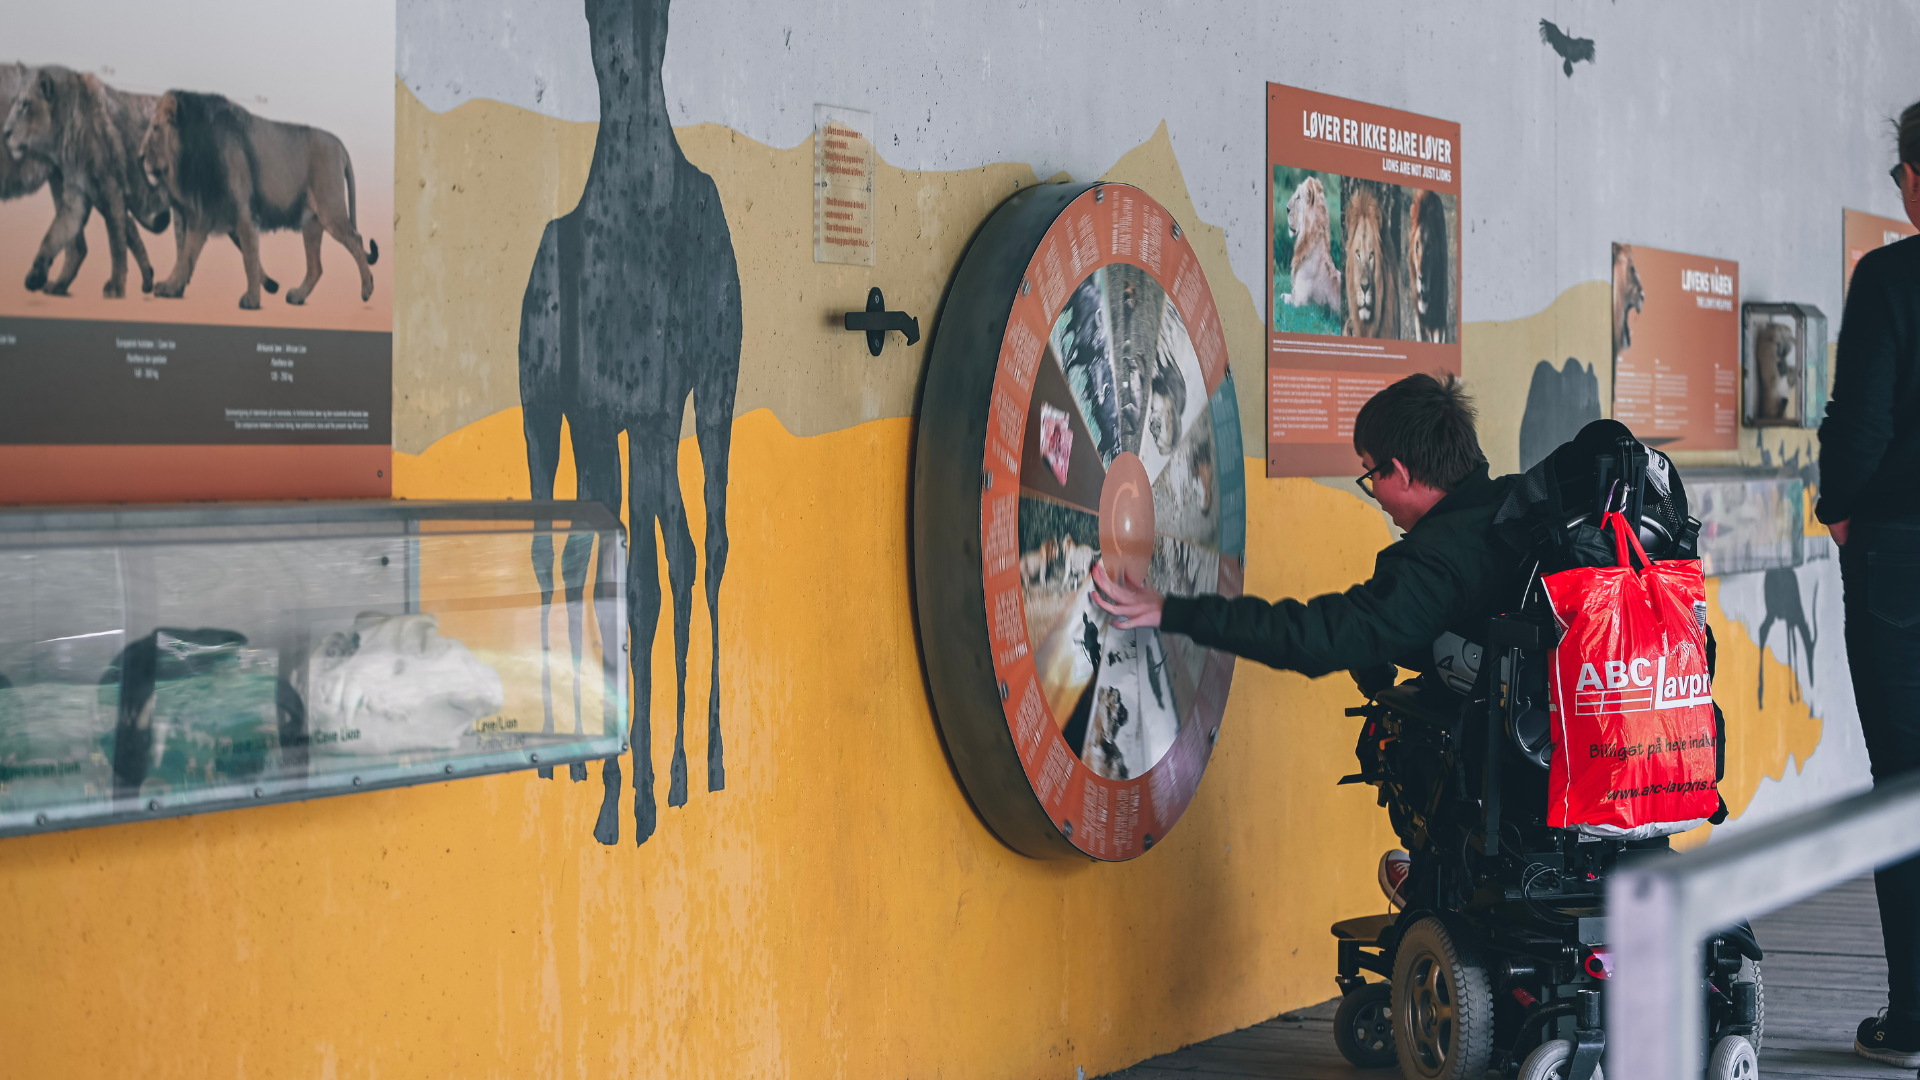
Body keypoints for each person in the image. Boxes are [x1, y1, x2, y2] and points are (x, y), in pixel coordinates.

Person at [1819, 99, 1920, 1069]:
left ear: (1916, 181)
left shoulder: (1891, 279)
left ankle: (1917, 1015)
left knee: (1906, 788)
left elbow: (1861, 425)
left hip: (1900, 555)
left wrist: (1841, 510)